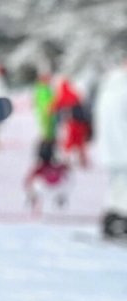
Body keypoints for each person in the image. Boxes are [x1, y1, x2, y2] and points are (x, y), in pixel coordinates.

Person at [93, 52, 127, 239]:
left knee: (117, 186)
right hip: (123, 146)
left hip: (110, 147)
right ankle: (120, 223)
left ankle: (112, 220)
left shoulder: (110, 85)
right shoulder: (122, 88)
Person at [52, 74, 91, 168]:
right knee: (80, 143)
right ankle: (83, 160)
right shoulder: (75, 93)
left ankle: (66, 160)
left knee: (69, 142)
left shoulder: (62, 95)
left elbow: (53, 106)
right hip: (81, 122)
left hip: (72, 122)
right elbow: (83, 105)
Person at [23, 138, 71, 213]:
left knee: (36, 186)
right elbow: (65, 168)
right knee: (37, 186)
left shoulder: (43, 166)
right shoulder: (49, 166)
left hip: (50, 185)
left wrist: (28, 184)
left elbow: (31, 176)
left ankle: (34, 199)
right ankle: (35, 199)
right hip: (52, 185)